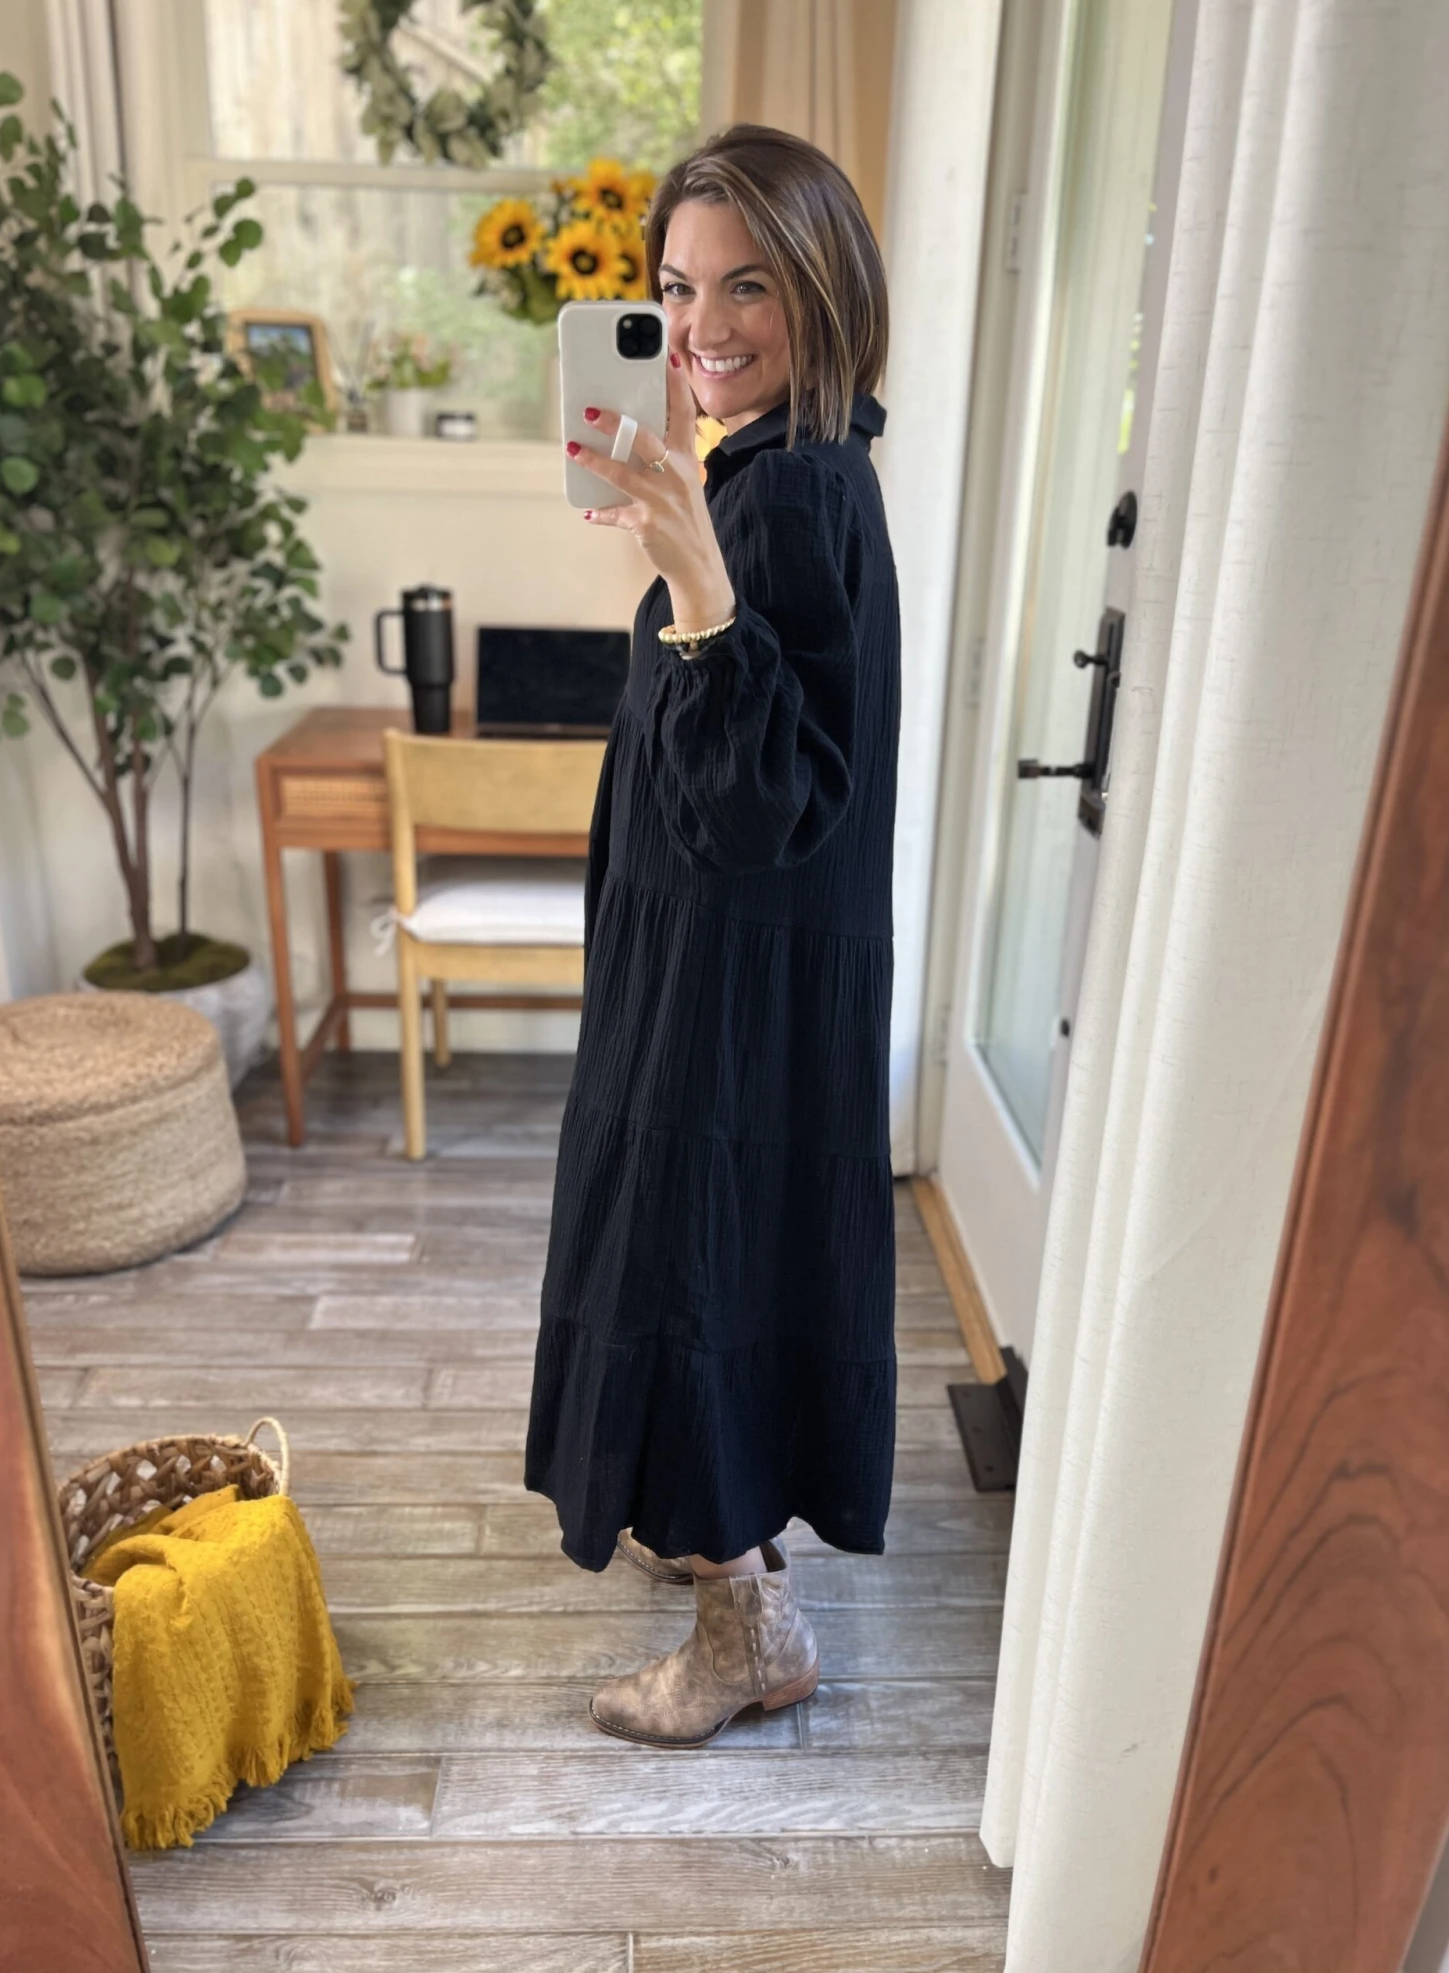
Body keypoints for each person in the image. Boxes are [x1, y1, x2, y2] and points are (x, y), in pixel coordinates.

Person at [524, 123, 900, 1748]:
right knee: (708, 1254)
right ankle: (717, 1540)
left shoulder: (789, 494)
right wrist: (688, 534)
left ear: (824, 289)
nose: (701, 327)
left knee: (688, 1260)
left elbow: (763, 803)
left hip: (728, 983)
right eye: (676, 290)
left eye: (748, 285)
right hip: (727, 965)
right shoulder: (780, 468)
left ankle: (748, 1629)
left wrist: (692, 575)